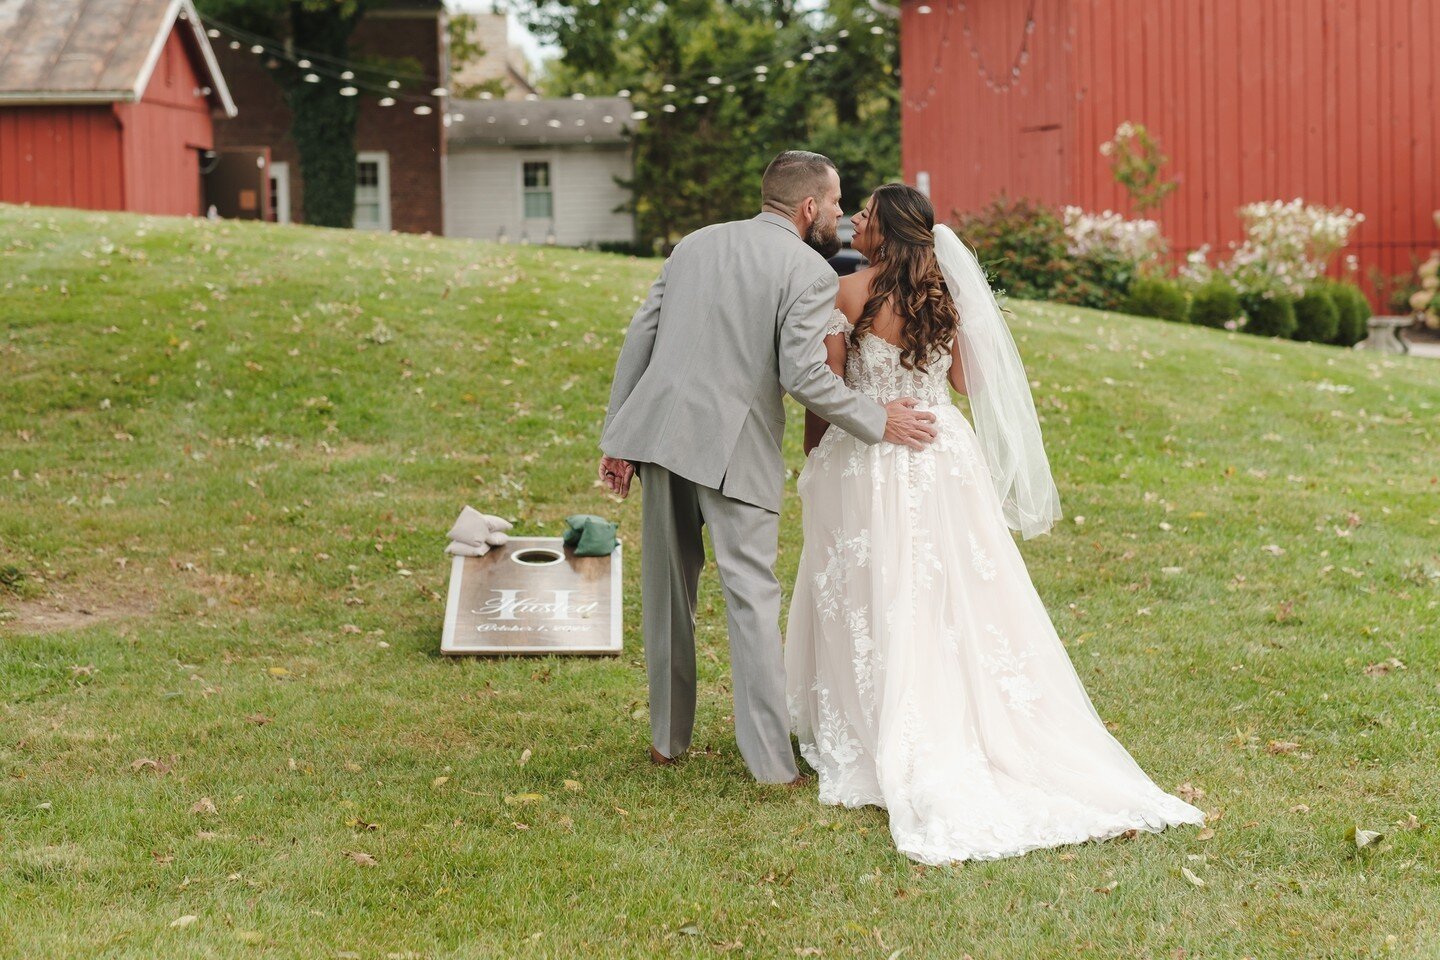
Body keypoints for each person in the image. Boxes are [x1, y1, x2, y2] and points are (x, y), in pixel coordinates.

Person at [784, 182, 1204, 862]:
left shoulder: (849, 293)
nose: (854, 222)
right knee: (953, 590)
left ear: (885, 231)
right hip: (944, 454)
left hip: (873, 457)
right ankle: (965, 712)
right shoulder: (943, 295)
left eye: (864, 215)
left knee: (872, 587)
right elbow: (967, 387)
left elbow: (830, 393)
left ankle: (878, 722)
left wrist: (819, 452)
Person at [596, 152, 938, 785]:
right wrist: (878, 418)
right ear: (808, 207)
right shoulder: (808, 270)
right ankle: (770, 765)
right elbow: (805, 376)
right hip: (733, 446)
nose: (841, 214)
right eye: (836, 203)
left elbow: (639, 336)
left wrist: (618, 437)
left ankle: (668, 742)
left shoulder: (694, 244)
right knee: (750, 598)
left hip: (660, 436)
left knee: (669, 594)